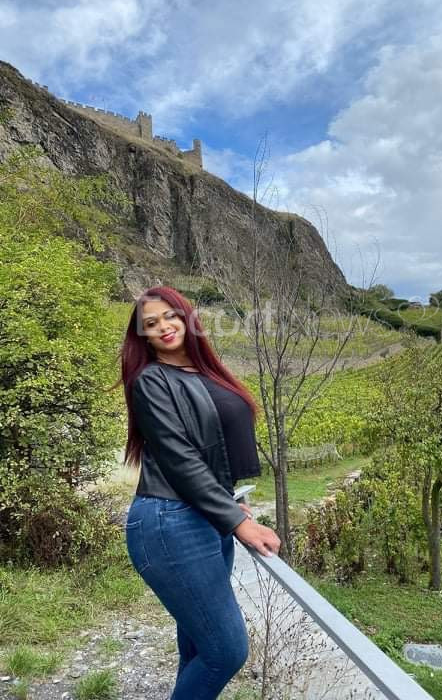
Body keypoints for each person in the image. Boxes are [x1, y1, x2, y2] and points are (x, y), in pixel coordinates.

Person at [120, 285, 281, 700]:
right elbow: (180, 459)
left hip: (204, 519)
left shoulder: (206, 372)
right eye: (151, 323)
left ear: (187, 318)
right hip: (169, 521)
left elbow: (217, 450)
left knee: (198, 647)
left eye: (170, 315)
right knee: (226, 651)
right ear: (143, 336)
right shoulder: (151, 381)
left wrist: (232, 505)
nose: (163, 326)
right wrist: (238, 522)